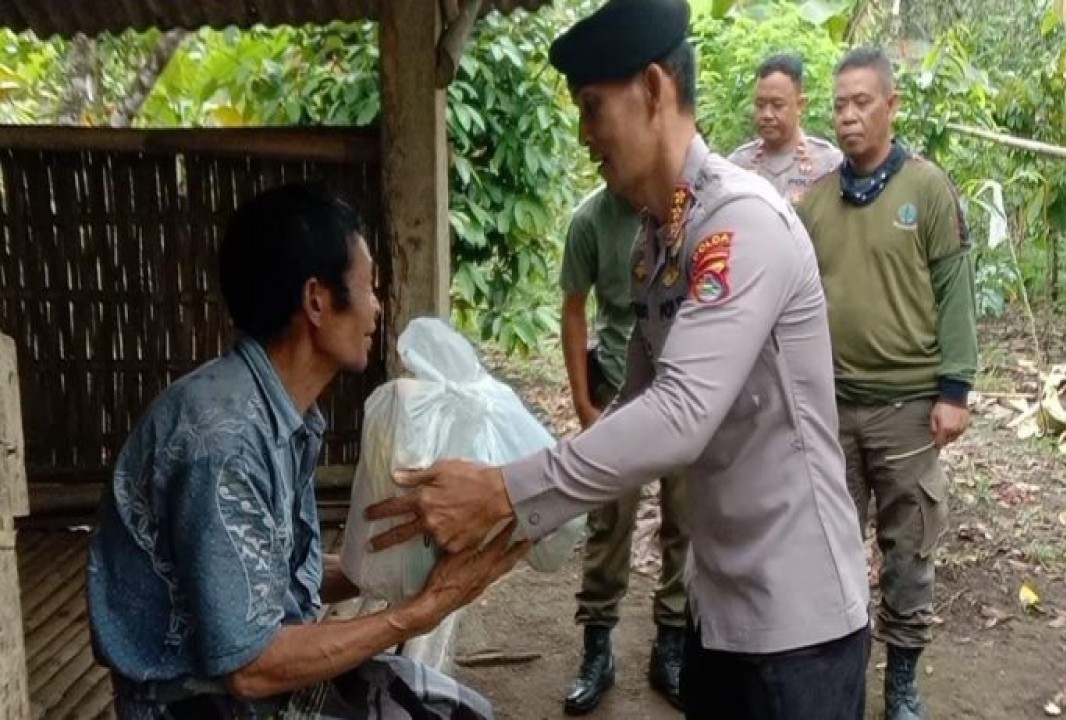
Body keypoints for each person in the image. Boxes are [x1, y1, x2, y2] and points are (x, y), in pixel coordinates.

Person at [364, 1, 872, 718]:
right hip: (720, 609)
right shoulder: (658, 240)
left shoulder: (742, 224)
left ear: (656, 91)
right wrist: (505, 515)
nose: (582, 135)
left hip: (798, 623)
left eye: (594, 107)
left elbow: (680, 414)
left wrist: (505, 490)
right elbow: (633, 407)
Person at [86, 183, 525, 719]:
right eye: (369, 288)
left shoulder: (276, 412)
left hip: (244, 684)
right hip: (197, 704)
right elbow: (250, 667)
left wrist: (390, 560)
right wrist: (422, 609)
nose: (377, 309)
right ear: (317, 301)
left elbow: (261, 576)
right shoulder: (224, 442)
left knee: (465, 712)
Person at [796, 46, 979, 720]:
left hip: (907, 407)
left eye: (861, 102)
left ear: (892, 105)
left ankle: (901, 679)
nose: (847, 116)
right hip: (831, 406)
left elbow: (955, 289)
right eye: (839, 104)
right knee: (829, 549)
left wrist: (954, 390)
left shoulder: (927, 190)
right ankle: (836, 675)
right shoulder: (814, 203)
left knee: (908, 550)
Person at [558, 184, 690, 713]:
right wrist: (584, 405)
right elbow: (574, 309)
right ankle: (597, 648)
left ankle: (672, 645)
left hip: (683, 390)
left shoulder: (687, 208)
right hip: (618, 389)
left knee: (687, 519)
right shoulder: (590, 218)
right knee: (608, 522)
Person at [727, 53, 843, 204]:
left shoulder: (829, 165)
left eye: (777, 105)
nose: (767, 115)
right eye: (760, 105)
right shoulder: (737, 165)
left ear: (800, 104)